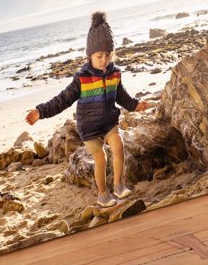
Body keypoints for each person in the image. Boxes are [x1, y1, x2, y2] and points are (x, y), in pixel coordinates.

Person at [25, 11, 149, 207]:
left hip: (108, 122)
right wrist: (40, 111)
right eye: (99, 55)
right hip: (89, 128)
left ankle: (118, 185)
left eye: (108, 55)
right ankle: (102, 194)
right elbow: (62, 100)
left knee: (119, 145)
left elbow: (121, 95)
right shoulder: (81, 78)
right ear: (90, 54)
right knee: (101, 158)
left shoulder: (114, 73)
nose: (104, 60)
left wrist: (135, 105)